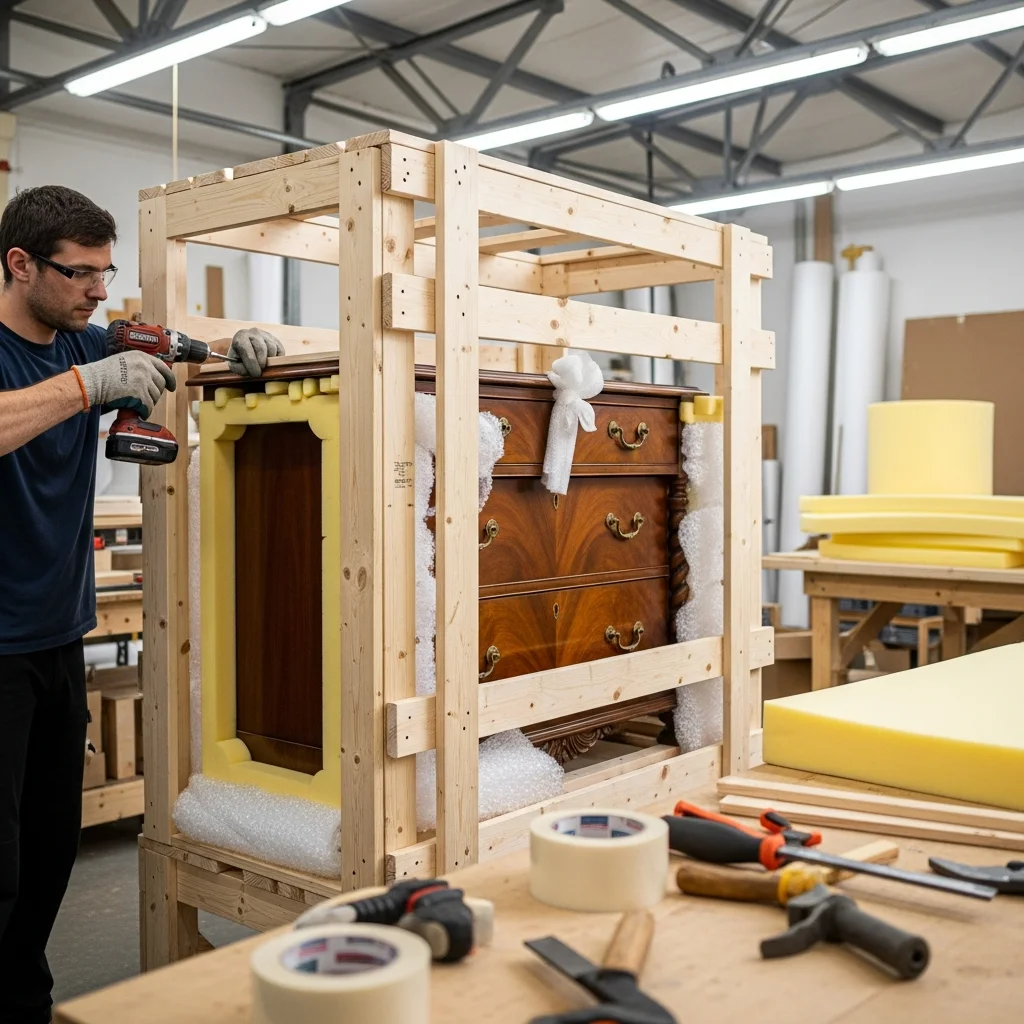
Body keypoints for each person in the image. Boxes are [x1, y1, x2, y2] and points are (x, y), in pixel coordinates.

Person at [0, 185, 282, 1023]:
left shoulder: (87, 342)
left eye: (104, 272)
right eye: (77, 273)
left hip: (59, 639)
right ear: (19, 265)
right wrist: (87, 386)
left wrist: (238, 348)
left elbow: (175, 347)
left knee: (50, 851)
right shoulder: (63, 363)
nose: (96, 290)